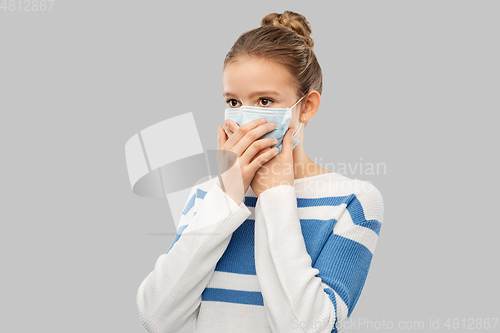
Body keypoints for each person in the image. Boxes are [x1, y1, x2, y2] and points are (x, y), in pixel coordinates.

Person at [136, 10, 384, 333]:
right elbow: (157, 318)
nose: (247, 117)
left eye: (265, 101)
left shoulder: (354, 202)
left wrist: (277, 195)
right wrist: (225, 198)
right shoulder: (207, 195)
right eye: (234, 102)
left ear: (306, 106)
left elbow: (307, 328)